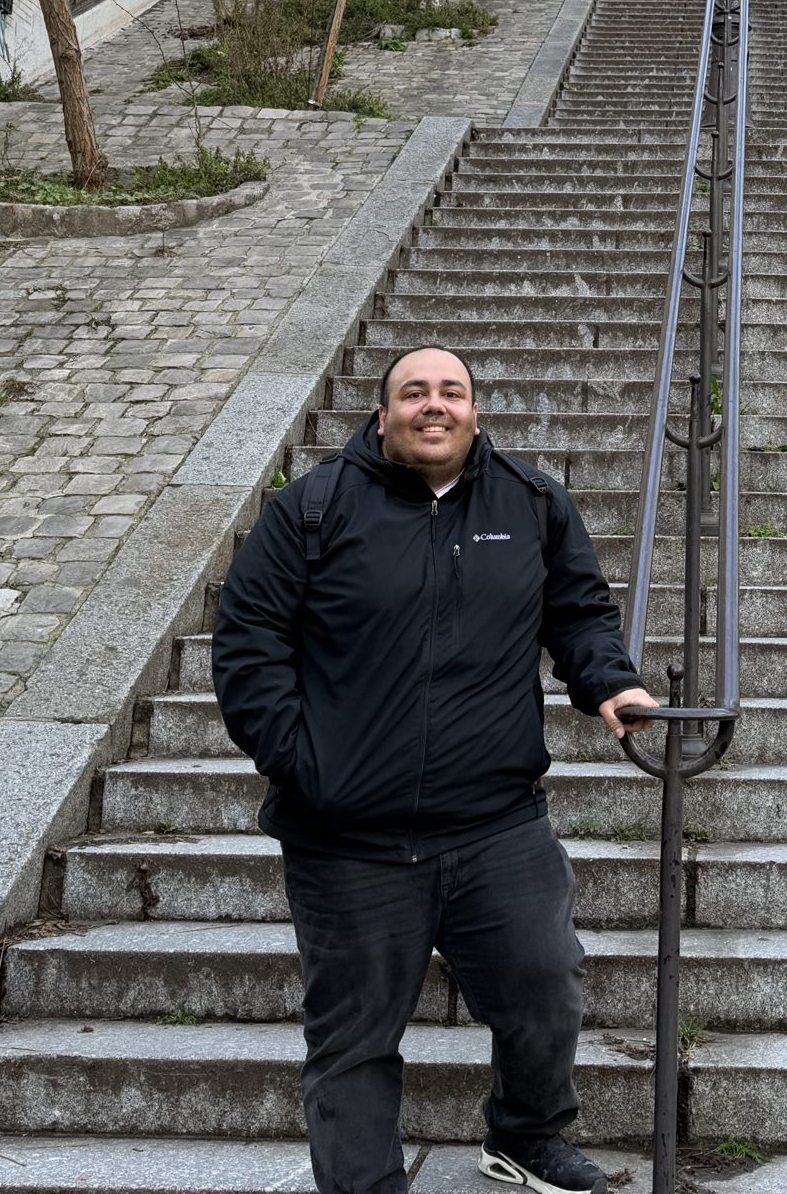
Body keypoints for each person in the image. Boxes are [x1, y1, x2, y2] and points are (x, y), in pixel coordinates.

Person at [213, 346, 658, 1194]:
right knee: (353, 1038)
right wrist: (305, 763)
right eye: (413, 391)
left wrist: (610, 680)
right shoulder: (311, 508)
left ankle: (525, 1135)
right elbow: (248, 640)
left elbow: (579, 612)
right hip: (348, 837)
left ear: (475, 413)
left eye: (452, 391)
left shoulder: (531, 503)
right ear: (382, 415)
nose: (434, 404)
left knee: (544, 983)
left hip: (496, 824)